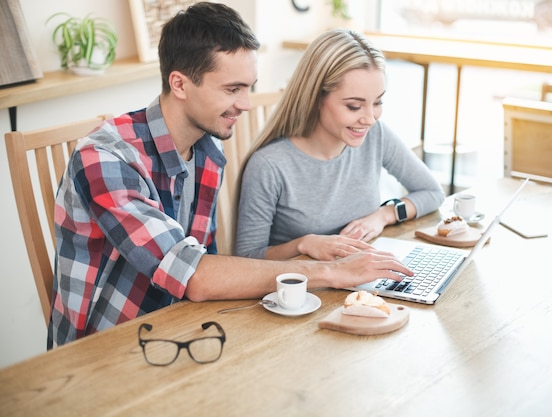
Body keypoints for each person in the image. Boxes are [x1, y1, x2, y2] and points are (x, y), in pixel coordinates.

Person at [49, 3, 412, 348]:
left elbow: (213, 267)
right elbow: (196, 276)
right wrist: (332, 272)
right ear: (179, 84)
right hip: (105, 350)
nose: (247, 104)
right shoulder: (106, 158)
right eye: (232, 89)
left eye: (248, 87)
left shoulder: (208, 150)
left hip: (185, 331)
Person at [235, 29, 445, 261]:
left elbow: (432, 192)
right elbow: (247, 257)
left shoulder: (376, 135)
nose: (369, 118)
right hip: (302, 291)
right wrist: (303, 245)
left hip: (359, 278)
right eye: (354, 106)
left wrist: (382, 215)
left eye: (377, 102)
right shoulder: (269, 165)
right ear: (315, 98)